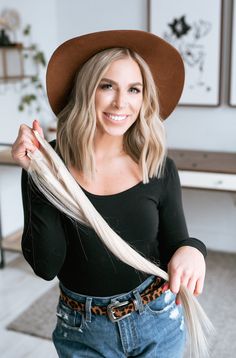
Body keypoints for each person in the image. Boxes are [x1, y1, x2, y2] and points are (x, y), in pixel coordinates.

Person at [12, 30, 208, 358]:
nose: (121, 103)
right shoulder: (47, 164)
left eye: (134, 89)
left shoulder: (157, 166)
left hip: (156, 319)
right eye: (107, 86)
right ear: (87, 90)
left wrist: (194, 250)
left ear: (144, 98)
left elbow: (176, 243)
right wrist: (38, 172)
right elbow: (47, 266)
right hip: (81, 328)